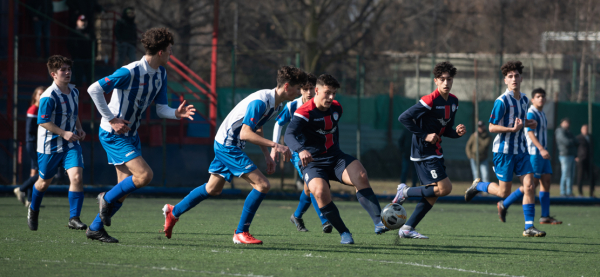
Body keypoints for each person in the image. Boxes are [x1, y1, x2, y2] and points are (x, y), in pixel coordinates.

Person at [162, 66, 307, 244]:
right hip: (228, 145)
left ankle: (173, 212)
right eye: (297, 87)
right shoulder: (261, 101)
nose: (299, 92)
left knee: (212, 188)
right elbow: (246, 133)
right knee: (262, 185)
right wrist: (276, 145)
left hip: (231, 144)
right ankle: (241, 232)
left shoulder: (276, 105)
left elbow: (257, 127)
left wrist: (267, 154)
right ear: (286, 86)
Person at [86, 28, 196, 243]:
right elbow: (93, 89)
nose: (172, 54)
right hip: (113, 134)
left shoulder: (160, 73)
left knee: (123, 190)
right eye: (171, 50)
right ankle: (104, 198)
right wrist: (111, 119)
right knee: (145, 176)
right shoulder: (130, 71)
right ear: (161, 52)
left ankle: (95, 228)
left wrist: (176, 113)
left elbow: (160, 109)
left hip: (130, 135)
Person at [285, 74, 389, 245]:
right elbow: (288, 135)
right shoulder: (304, 112)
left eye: (334, 93)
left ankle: (379, 222)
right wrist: (301, 150)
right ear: (316, 91)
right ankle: (344, 233)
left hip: (335, 158)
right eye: (327, 93)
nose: (331, 97)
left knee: (361, 175)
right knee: (319, 193)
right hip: (313, 163)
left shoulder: (336, 108)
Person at [464, 60, 546, 237]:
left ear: (521, 78)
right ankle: (479, 186)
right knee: (504, 192)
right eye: (510, 76)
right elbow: (492, 127)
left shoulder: (524, 99)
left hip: (522, 151)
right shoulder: (501, 101)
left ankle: (529, 227)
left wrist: (527, 123)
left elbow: (518, 122)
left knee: (530, 185)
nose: (514, 79)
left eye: (516, 75)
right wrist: (512, 129)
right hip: (504, 151)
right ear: (505, 80)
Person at [393, 62, 466, 239]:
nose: (446, 83)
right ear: (436, 81)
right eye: (442, 79)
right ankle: (405, 192)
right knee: (445, 188)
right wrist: (424, 135)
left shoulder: (454, 102)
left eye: (449, 79)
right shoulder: (429, 100)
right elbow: (404, 118)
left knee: (434, 193)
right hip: (423, 151)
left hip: (436, 150)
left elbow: (445, 129)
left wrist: (456, 132)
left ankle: (407, 228)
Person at [27, 55, 87, 232]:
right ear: (54, 74)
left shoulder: (74, 92)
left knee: (76, 177)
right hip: (49, 146)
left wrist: (79, 128)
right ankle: (33, 209)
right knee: (44, 183)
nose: (67, 72)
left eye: (69, 69)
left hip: (70, 144)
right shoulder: (48, 96)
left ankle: (74, 218)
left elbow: (73, 114)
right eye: (63, 70)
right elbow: (43, 121)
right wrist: (63, 133)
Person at [269, 73, 332, 233]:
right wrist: (275, 146)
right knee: (312, 185)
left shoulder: (319, 105)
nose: (309, 92)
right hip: (297, 151)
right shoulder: (292, 106)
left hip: (314, 150)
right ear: (300, 91)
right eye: (305, 89)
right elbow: (278, 124)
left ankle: (297, 216)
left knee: (307, 188)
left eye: (312, 88)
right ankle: (325, 220)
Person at [497, 88, 562, 224]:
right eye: (538, 96)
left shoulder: (542, 113)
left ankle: (545, 216)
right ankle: (504, 204)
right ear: (532, 99)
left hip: (542, 152)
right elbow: (530, 133)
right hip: (535, 153)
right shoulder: (531, 113)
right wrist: (541, 149)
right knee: (532, 184)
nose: (541, 98)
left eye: (543, 96)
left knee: (547, 181)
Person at [14, 86, 45, 207]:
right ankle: (21, 189)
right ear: (35, 97)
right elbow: (31, 130)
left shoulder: (42, 109)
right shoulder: (33, 109)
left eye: (44, 94)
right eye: (40, 94)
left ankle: (30, 200)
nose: (42, 96)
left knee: (34, 172)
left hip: (38, 144)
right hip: (33, 144)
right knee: (44, 172)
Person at [67, 15, 93, 86]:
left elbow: (94, 43)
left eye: (84, 21)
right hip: (78, 59)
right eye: (81, 21)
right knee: (78, 79)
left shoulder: (90, 32)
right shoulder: (73, 33)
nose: (83, 23)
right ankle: (77, 96)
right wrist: (74, 55)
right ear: (77, 22)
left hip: (88, 59)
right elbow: (69, 45)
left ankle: (90, 97)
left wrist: (94, 55)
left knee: (89, 79)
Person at [555, 118, 578, 197]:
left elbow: (576, 141)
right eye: (565, 123)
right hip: (564, 155)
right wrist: (572, 141)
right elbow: (566, 142)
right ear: (561, 123)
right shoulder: (559, 131)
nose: (567, 124)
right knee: (565, 174)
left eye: (568, 123)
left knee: (571, 175)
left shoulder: (569, 132)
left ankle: (569, 192)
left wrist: (572, 141)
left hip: (571, 155)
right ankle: (563, 192)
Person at [576, 124, 595, 197]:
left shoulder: (590, 137)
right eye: (584, 129)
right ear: (581, 130)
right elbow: (574, 147)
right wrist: (576, 156)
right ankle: (580, 193)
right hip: (581, 159)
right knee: (580, 176)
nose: (585, 130)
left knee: (591, 176)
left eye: (587, 129)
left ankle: (591, 193)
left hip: (589, 159)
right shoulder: (578, 138)